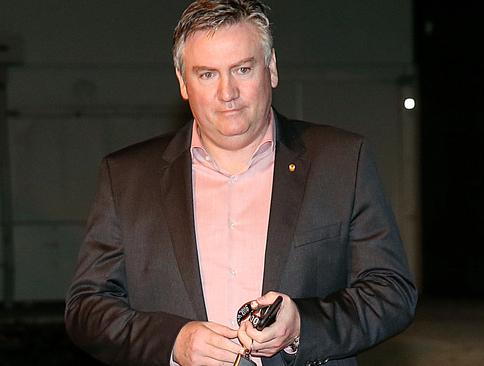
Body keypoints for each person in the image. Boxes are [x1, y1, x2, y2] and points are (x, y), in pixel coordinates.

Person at [64, 1, 417, 365]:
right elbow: (86, 307)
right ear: (183, 83)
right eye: (207, 74)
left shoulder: (341, 162)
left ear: (272, 69)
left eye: (243, 69)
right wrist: (174, 342)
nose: (227, 93)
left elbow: (391, 293)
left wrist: (301, 327)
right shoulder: (126, 177)